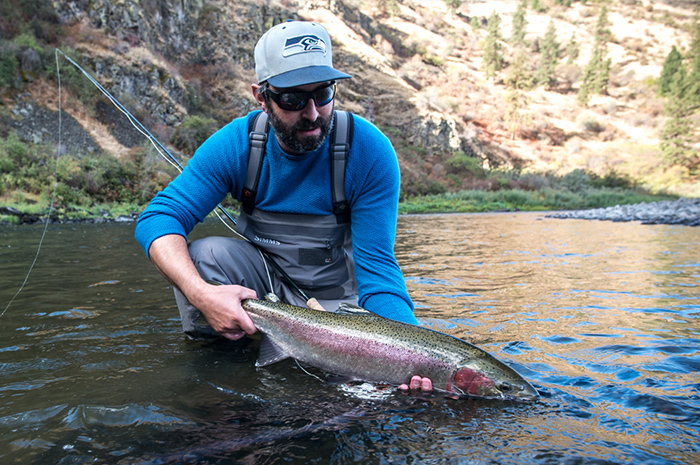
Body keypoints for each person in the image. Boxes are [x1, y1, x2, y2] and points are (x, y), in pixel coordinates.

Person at [135, 20, 431, 392]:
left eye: (323, 94)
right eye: (292, 99)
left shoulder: (368, 151)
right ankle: (225, 364)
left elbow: (379, 272)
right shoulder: (236, 145)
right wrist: (200, 293)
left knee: (365, 396)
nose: (311, 113)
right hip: (265, 294)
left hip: (341, 304)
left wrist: (414, 355)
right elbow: (158, 218)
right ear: (261, 96)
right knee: (206, 254)